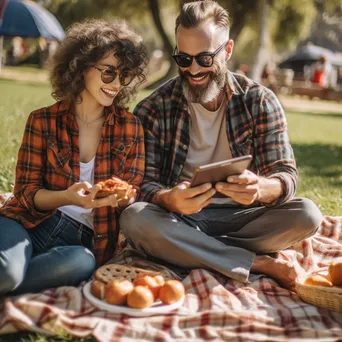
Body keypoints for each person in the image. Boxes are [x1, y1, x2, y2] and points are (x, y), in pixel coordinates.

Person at [120, 0, 323, 292]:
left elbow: (285, 175)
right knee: (134, 219)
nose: (193, 70)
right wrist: (168, 199)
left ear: (227, 51)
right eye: (184, 59)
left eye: (204, 58)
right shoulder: (153, 108)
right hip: (181, 220)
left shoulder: (259, 101)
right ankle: (258, 263)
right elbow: (142, 184)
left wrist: (261, 188)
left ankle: (194, 252)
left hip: (245, 220)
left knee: (308, 215)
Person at [0, 19, 147, 295]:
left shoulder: (131, 127)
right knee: (7, 272)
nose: (116, 83)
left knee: (83, 263)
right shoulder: (43, 120)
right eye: (108, 73)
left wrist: (125, 197)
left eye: (124, 75)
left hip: (82, 243)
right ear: (80, 66)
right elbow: (25, 194)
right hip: (28, 223)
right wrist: (67, 196)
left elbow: (132, 191)